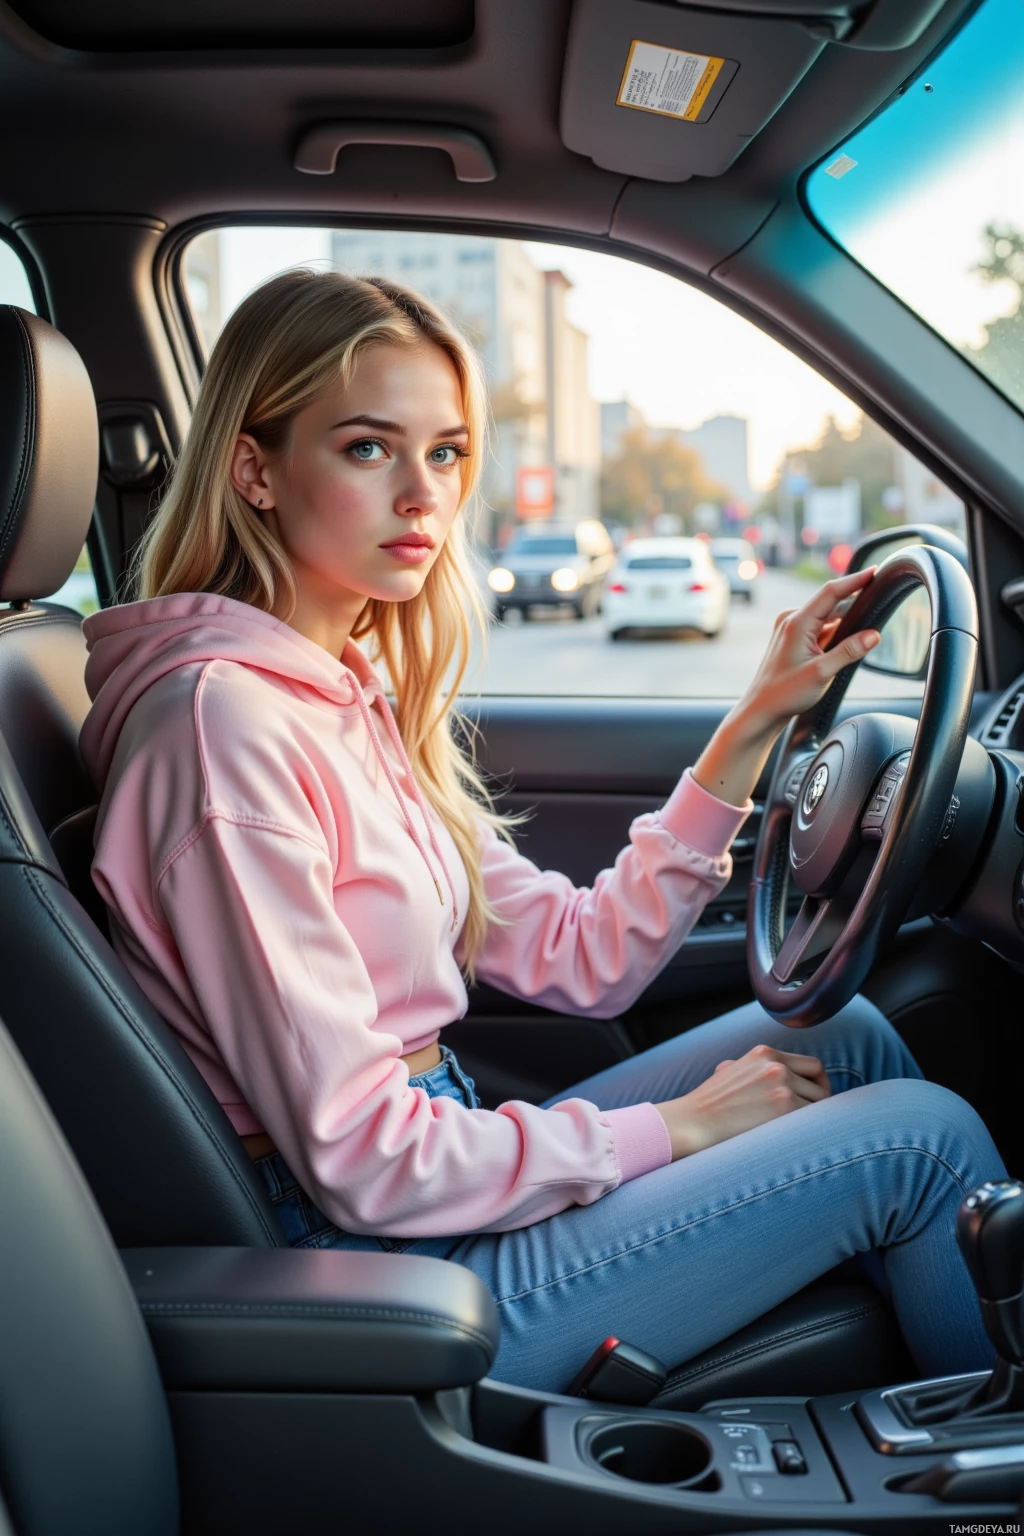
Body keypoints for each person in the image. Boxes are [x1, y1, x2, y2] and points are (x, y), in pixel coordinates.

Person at [79, 269, 1006, 1395]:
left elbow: (585, 959)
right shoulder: (225, 728)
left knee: (841, 1037)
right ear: (255, 470)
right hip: (383, 1254)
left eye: (448, 452)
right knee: (920, 1138)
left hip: (438, 1163)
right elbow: (361, 1161)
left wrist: (753, 721)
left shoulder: (342, 697)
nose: (423, 495)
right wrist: (672, 1132)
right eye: (370, 448)